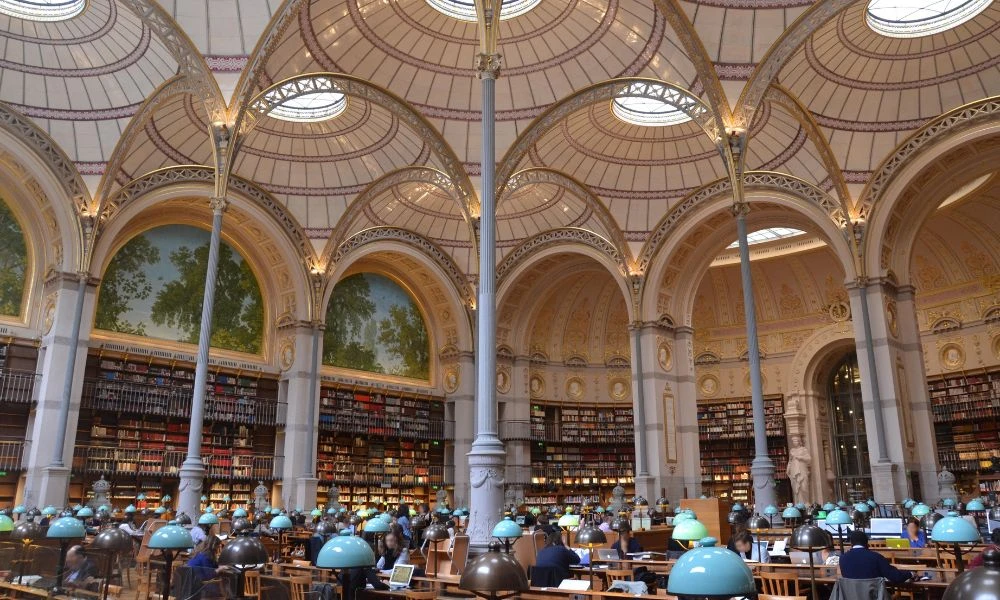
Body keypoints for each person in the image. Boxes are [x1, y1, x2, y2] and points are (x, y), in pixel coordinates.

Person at [840, 531, 912, 583]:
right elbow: (895, 577)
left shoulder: (842, 559)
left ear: (851, 543)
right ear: (867, 543)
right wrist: (911, 574)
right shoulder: (876, 557)